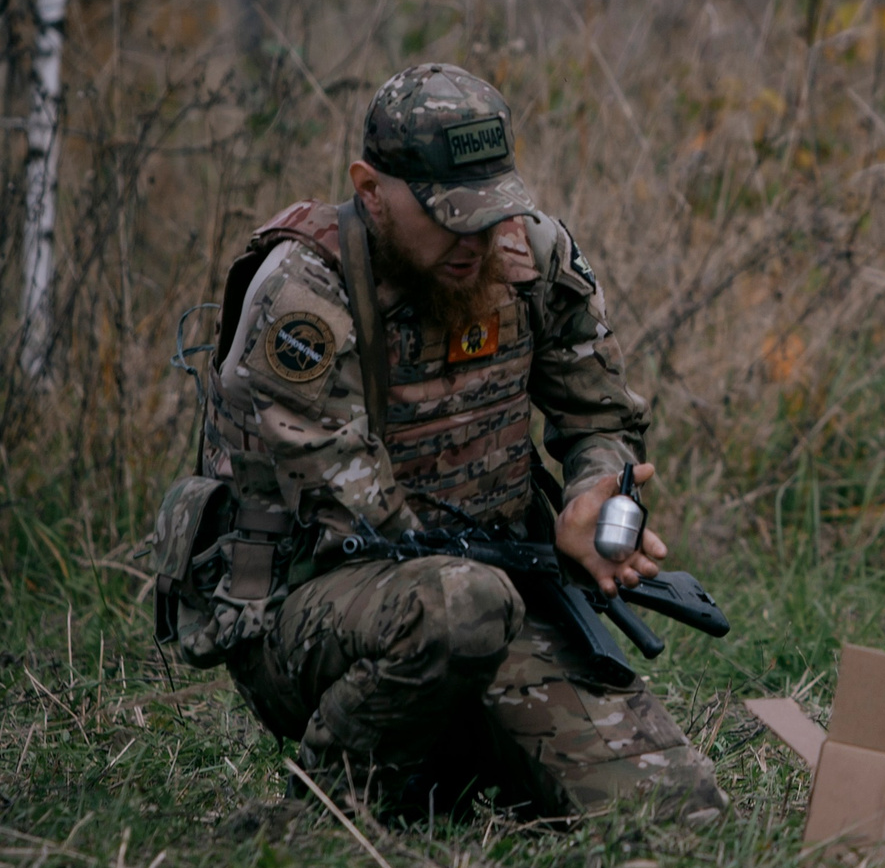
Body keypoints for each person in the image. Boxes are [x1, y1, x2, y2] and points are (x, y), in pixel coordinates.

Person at [179, 64, 724, 823]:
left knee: (673, 811)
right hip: (319, 612)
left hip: (491, 596)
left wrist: (595, 501)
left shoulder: (531, 258)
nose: (478, 238)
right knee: (459, 604)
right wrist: (527, 560)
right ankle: (337, 806)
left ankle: (457, 765)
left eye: (492, 209)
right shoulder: (305, 295)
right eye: (449, 215)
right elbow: (369, 526)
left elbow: (602, 418)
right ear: (370, 189)